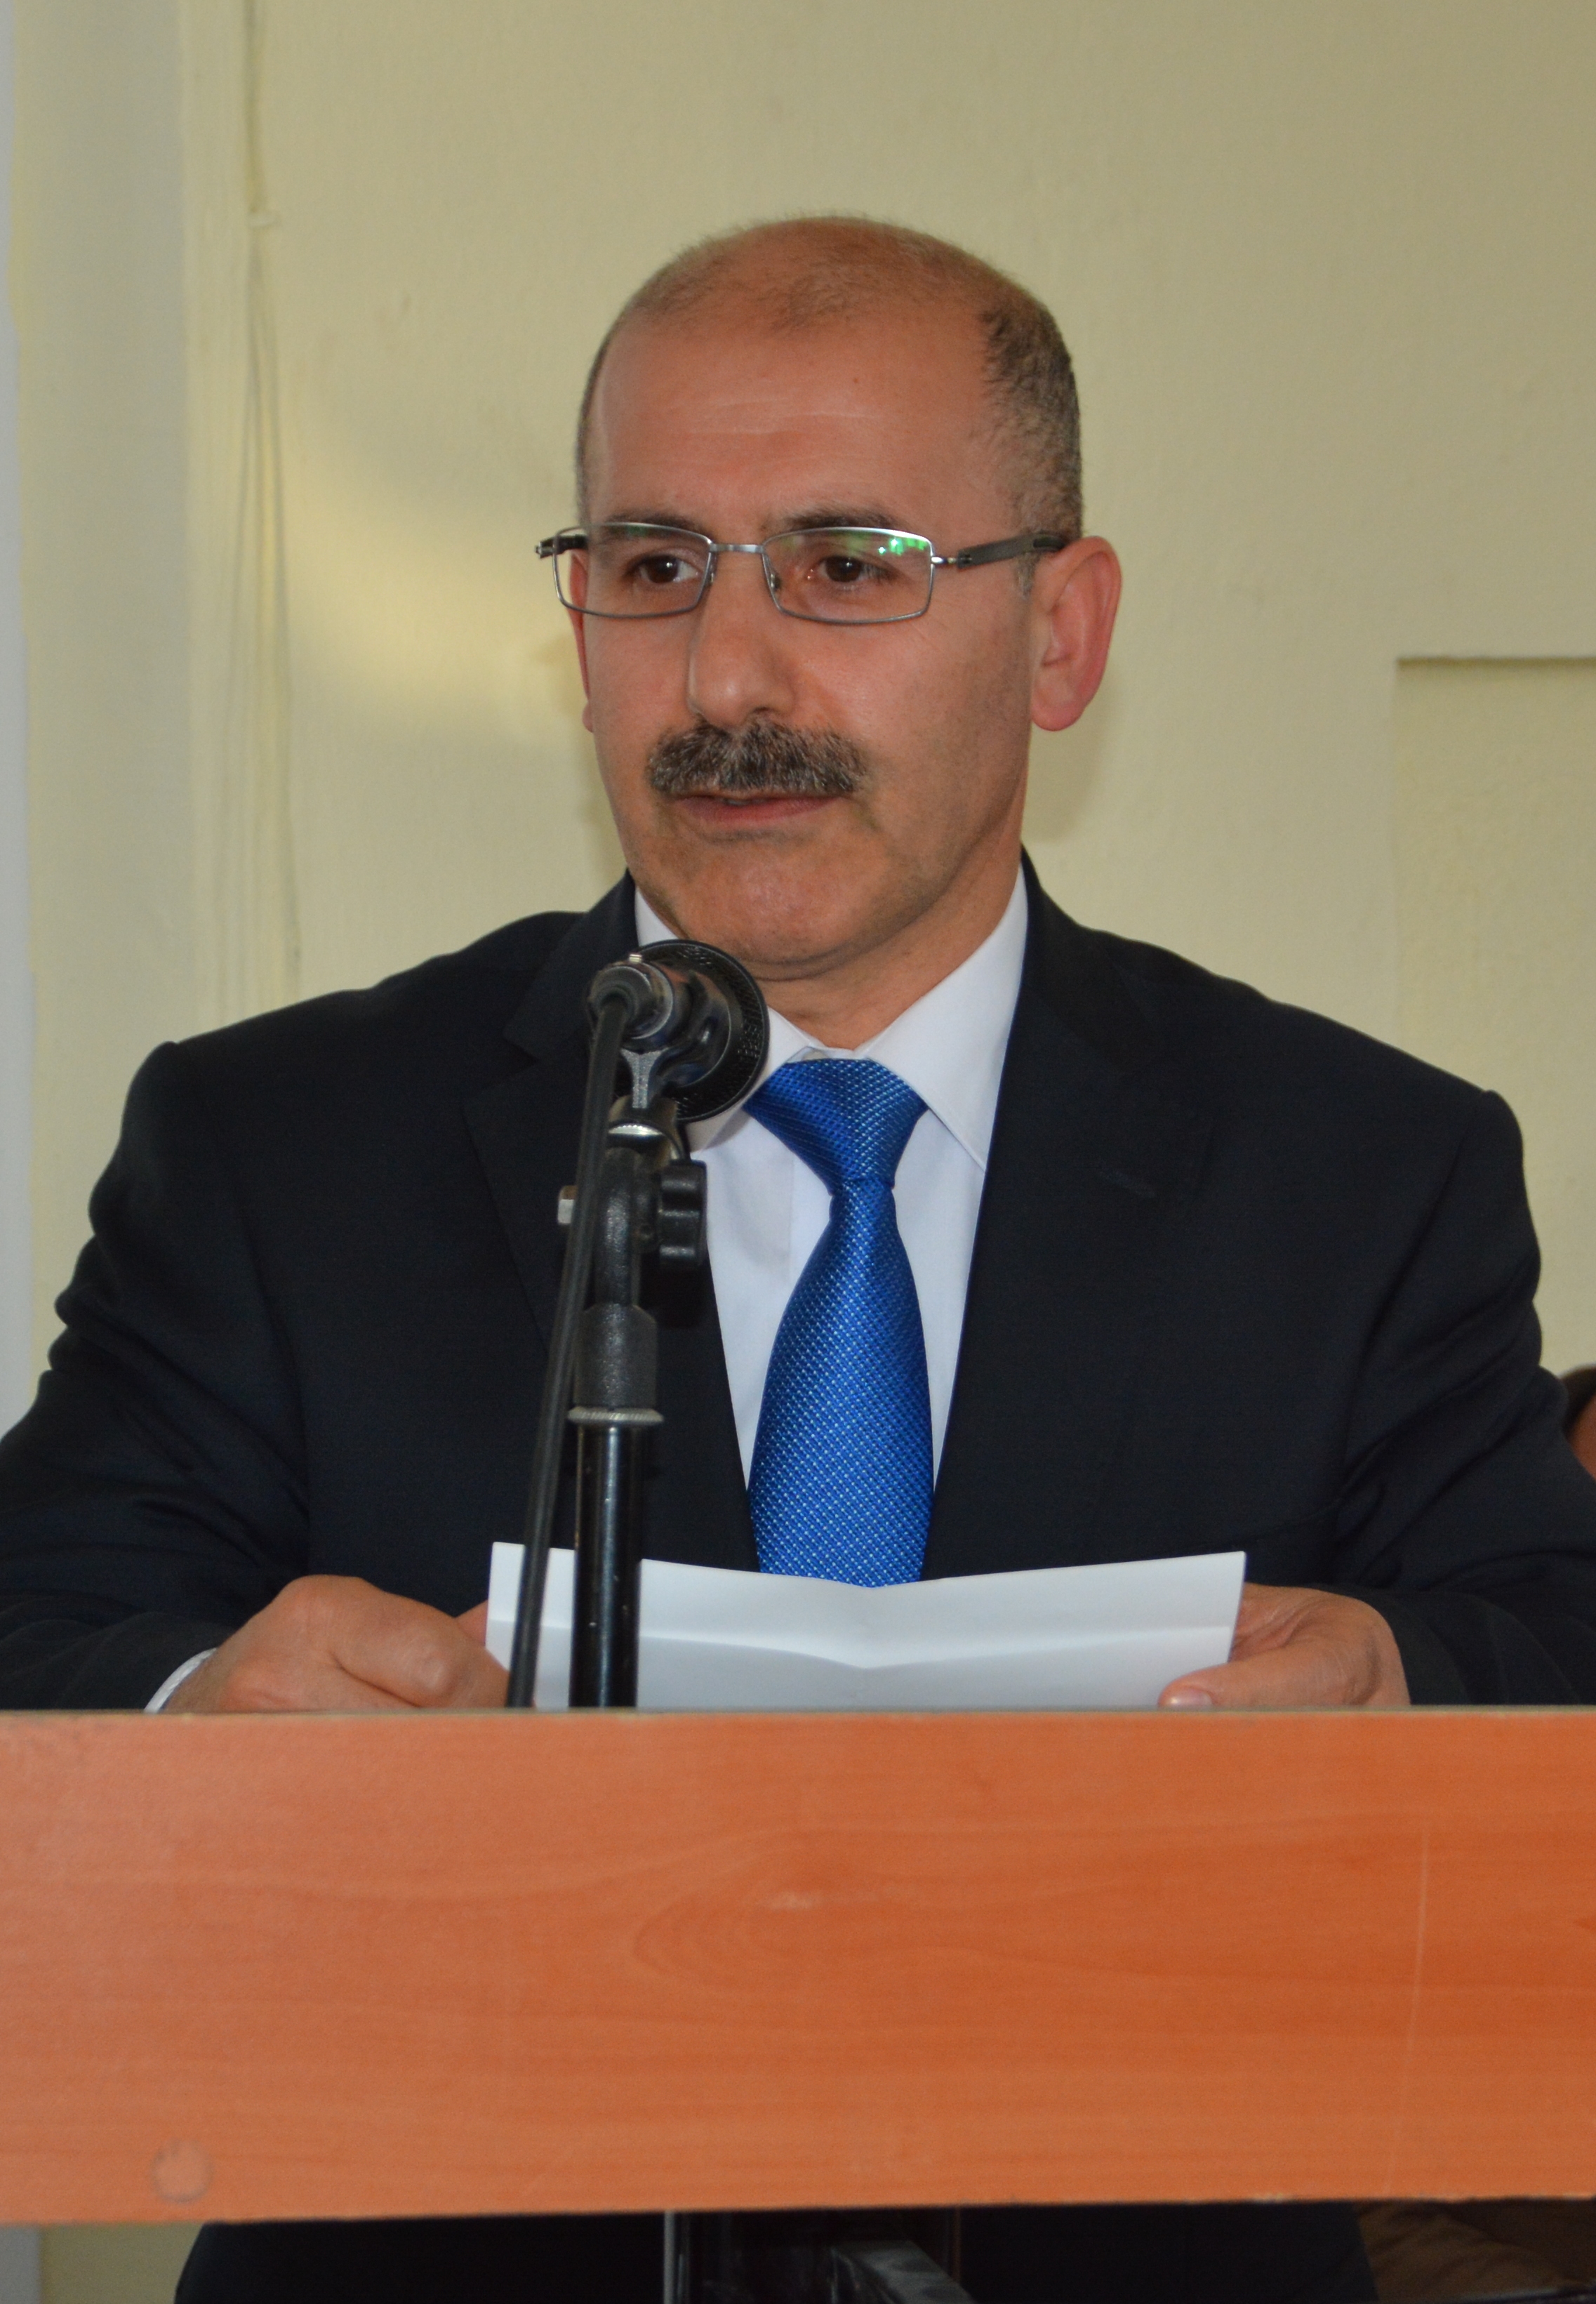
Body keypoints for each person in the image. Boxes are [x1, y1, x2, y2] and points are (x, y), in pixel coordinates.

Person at [4, 217, 1596, 2303]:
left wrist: (1408, 1687)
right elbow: (42, 1620)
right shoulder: (279, 1145)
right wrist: (196, 1711)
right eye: (654, 565)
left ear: (1061, 635)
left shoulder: (1359, 1168)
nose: (727, 680)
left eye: (848, 566)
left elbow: (1547, 1631)